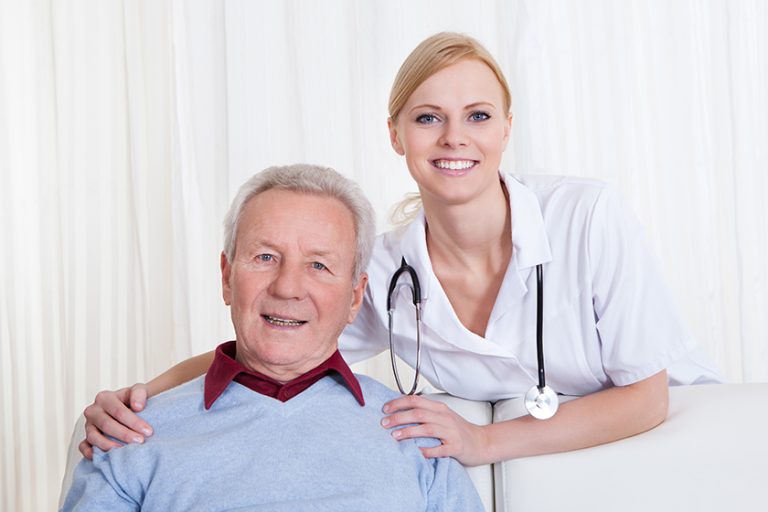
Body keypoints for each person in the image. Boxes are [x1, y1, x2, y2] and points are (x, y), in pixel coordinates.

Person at [79, 32, 721, 468]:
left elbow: (648, 397)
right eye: (426, 117)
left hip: (664, 443)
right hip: (549, 459)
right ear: (395, 135)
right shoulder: (383, 267)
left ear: (505, 128)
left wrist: (482, 441)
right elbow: (271, 345)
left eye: (476, 116)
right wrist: (140, 395)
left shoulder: (588, 216)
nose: (453, 138)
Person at [61, 164, 483, 511]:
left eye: (318, 265)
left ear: (355, 296)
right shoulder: (129, 435)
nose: (287, 287)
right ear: (227, 278)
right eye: (265, 257)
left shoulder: (417, 437)